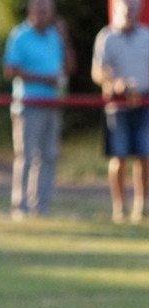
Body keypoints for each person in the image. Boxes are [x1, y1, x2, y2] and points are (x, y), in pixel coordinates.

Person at [2, 0, 73, 220]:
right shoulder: (20, 35)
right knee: (26, 156)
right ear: (32, 12)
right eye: (40, 11)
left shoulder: (55, 36)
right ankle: (20, 206)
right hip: (29, 104)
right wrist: (44, 79)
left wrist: (65, 39)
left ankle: (41, 206)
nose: (44, 15)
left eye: (47, 11)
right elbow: (10, 70)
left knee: (49, 156)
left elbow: (69, 67)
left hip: (52, 103)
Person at [92, 0, 149, 223]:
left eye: (133, 9)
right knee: (119, 156)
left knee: (144, 156)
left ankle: (141, 205)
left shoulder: (146, 36)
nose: (129, 13)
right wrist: (115, 83)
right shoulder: (107, 37)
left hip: (144, 103)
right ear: (117, 9)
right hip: (117, 105)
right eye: (125, 8)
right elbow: (97, 72)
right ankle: (119, 207)